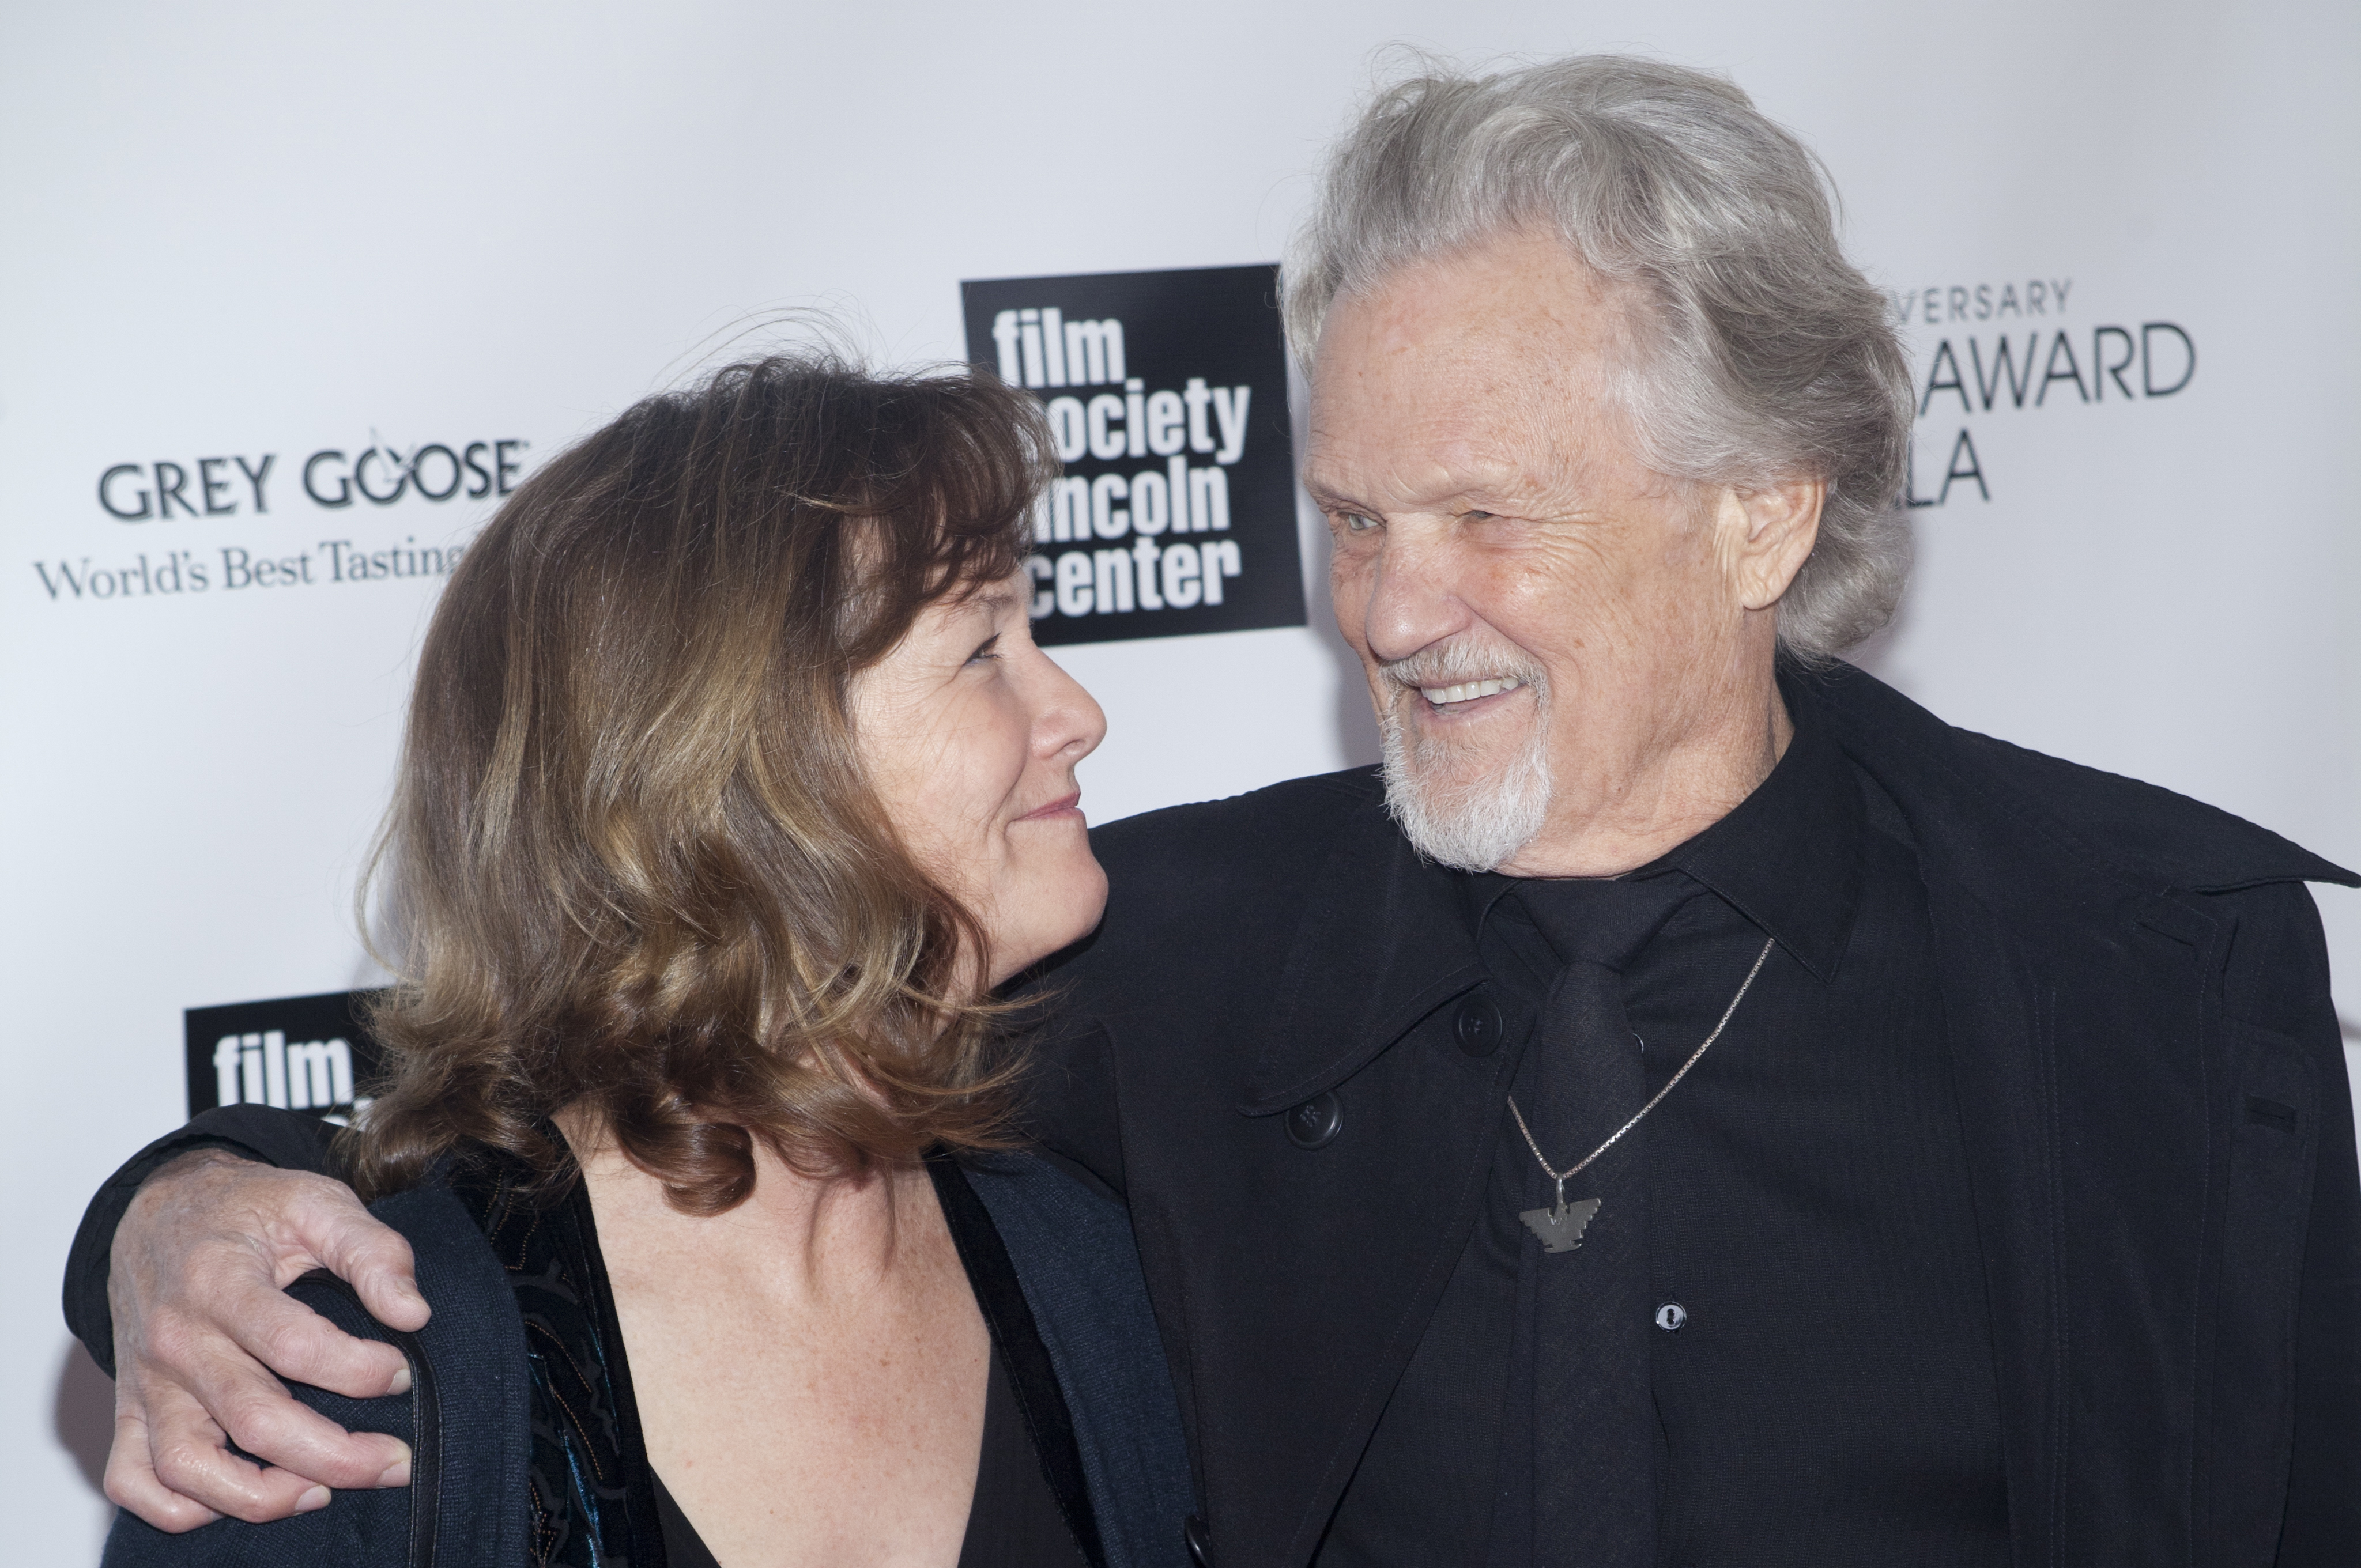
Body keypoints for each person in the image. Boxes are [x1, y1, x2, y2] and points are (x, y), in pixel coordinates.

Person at [67, 55, 2360, 1568]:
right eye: (1352, 512)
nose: (1394, 604)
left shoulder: (2152, 962)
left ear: (1760, 510)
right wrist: (165, 1214)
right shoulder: (1131, 965)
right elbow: (599, 1093)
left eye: (1482, 508)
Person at [79, 353, 1194, 1568]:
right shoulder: (338, 1386)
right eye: (984, 647)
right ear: (749, 763)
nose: (1076, 709)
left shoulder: (1094, 1258)